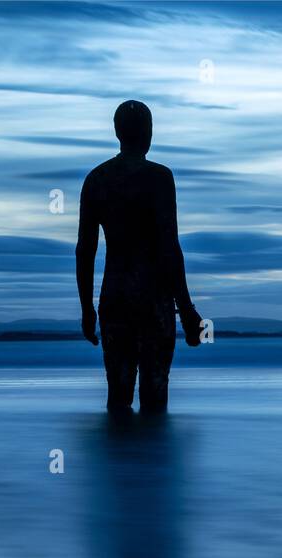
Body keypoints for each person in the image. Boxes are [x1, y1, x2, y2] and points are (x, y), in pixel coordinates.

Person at [76, 100, 204, 414]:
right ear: (148, 133)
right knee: (155, 395)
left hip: (115, 298)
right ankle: (149, 454)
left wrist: (86, 308)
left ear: (117, 132)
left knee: (118, 396)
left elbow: (85, 250)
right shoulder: (159, 178)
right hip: (154, 301)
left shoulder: (97, 179)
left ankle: (122, 456)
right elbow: (169, 247)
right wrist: (186, 309)